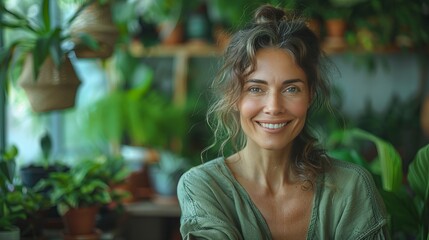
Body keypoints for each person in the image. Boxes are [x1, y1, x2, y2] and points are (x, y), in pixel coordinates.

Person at [177, 4, 389, 240]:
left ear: (310, 95)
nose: (274, 107)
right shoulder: (204, 186)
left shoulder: (351, 187)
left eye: (291, 89)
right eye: (256, 88)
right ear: (234, 97)